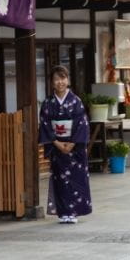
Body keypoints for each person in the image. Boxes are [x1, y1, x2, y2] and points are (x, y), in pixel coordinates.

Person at [39, 65, 92, 224]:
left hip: (74, 148)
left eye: (62, 78)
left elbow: (82, 124)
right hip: (57, 148)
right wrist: (56, 143)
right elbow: (45, 124)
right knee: (59, 179)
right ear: (51, 82)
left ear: (67, 80)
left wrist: (71, 143)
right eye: (56, 79)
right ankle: (63, 212)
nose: (60, 82)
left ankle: (74, 212)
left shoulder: (76, 101)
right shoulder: (48, 103)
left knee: (76, 178)